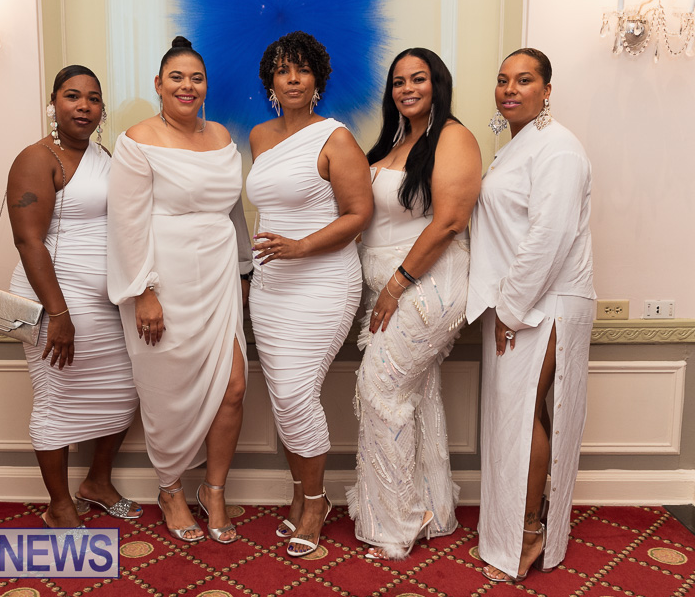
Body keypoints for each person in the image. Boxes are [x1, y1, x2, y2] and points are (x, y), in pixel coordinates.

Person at [107, 36, 252, 544]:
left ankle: (214, 490)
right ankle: (169, 488)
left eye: (196, 78)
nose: (187, 86)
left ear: (206, 86)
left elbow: (234, 214)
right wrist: (143, 292)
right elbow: (126, 223)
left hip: (218, 277)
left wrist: (244, 272)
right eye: (176, 77)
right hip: (163, 281)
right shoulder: (137, 139)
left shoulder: (223, 136)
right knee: (166, 393)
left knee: (233, 385)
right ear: (158, 84)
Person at [345, 48, 482, 560]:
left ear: (437, 83)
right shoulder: (396, 141)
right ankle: (432, 509)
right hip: (394, 290)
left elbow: (449, 222)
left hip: (425, 289)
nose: (407, 88)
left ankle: (399, 520)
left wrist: (396, 284)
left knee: (379, 390)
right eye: (399, 81)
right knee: (413, 395)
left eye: (418, 79)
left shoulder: (453, 137)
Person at [467, 48, 595, 582]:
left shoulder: (559, 148)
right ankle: (515, 528)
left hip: (545, 303)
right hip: (520, 301)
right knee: (516, 415)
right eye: (503, 80)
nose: (510, 89)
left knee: (523, 416)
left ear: (547, 90)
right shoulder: (515, 148)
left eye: (524, 80)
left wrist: (512, 309)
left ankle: (528, 533)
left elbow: (550, 235)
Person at [246, 30, 374, 558]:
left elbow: (359, 214)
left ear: (318, 78)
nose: (293, 78)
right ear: (271, 82)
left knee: (298, 394)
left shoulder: (336, 138)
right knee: (283, 396)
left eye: (302, 69)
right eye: (283, 70)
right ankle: (300, 495)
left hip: (323, 282)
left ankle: (317, 504)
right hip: (270, 286)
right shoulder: (258, 136)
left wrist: (300, 247)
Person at [8, 65, 141, 529]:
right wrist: (58, 314)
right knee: (55, 399)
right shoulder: (37, 157)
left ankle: (97, 482)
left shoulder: (106, 156)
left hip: (105, 305)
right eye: (72, 96)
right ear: (53, 104)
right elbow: (28, 241)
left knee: (124, 393)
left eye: (93, 98)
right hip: (56, 300)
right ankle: (59, 503)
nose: (83, 106)